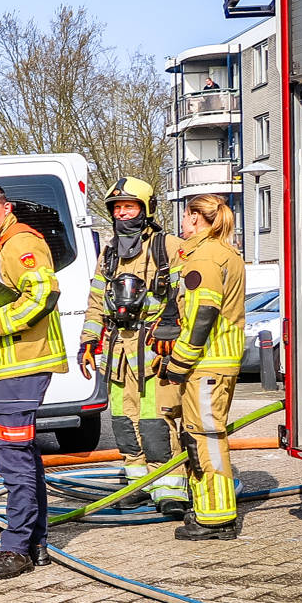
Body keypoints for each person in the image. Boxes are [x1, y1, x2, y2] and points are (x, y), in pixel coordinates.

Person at [0, 182, 66, 581]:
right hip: (10, 369)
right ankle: (35, 543)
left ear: (6, 209)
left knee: (12, 456)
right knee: (23, 455)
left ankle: (16, 547)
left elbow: (43, 297)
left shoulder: (20, 243)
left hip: (23, 367)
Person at [78, 178, 188, 518]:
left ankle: (170, 488)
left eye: (130, 206)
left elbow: (185, 293)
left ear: (146, 209)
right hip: (117, 352)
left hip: (154, 349)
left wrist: (171, 322)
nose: (123, 213)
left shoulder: (168, 246)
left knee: (156, 421)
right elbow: (97, 299)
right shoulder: (109, 253)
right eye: (118, 208)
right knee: (123, 422)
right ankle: (137, 484)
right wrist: (88, 340)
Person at [157, 195, 247, 541]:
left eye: (184, 215)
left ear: (195, 217)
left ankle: (216, 518)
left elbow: (202, 314)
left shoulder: (204, 256)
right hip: (218, 361)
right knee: (203, 436)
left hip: (207, 364)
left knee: (204, 439)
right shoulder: (224, 252)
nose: (181, 223)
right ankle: (211, 510)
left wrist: (179, 360)